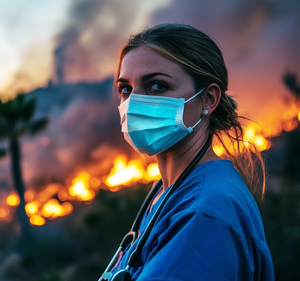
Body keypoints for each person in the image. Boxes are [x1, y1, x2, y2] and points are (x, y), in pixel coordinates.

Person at [102, 23, 274, 281]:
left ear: (208, 99)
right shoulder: (168, 190)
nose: (133, 102)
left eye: (157, 86)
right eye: (125, 88)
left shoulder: (203, 214)